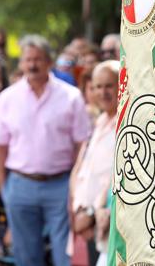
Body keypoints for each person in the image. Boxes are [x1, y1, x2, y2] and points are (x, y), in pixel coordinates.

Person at [0, 34, 92, 266]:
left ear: (49, 62)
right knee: (26, 257)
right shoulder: (7, 98)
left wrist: (76, 184)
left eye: (38, 59)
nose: (32, 65)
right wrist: (6, 188)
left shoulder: (70, 96)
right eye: (27, 59)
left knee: (66, 255)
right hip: (21, 185)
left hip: (61, 185)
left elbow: (82, 144)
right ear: (21, 63)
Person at [69, 60, 119, 266]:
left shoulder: (126, 125)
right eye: (98, 87)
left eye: (109, 85)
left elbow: (116, 171)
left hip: (106, 220)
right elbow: (80, 169)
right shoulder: (98, 123)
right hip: (85, 222)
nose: (103, 92)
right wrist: (78, 209)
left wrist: (91, 214)